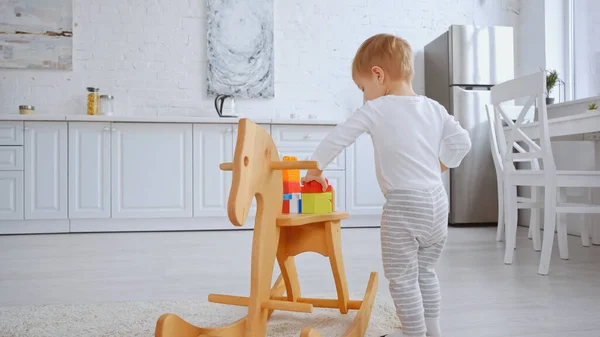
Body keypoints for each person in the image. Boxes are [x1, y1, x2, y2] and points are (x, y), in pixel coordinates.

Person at [301, 34, 471, 337]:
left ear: (378, 75)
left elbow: (338, 137)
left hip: (404, 206)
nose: (364, 96)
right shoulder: (433, 107)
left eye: (363, 87)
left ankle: (414, 333)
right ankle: (434, 331)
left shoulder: (375, 110)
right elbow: (462, 142)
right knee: (425, 271)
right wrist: (441, 164)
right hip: (437, 202)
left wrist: (315, 169)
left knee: (402, 278)